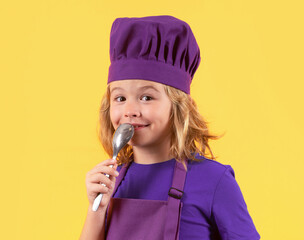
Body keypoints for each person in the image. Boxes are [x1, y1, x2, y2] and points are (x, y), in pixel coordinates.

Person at [80, 15, 260, 240]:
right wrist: (95, 208)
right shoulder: (113, 182)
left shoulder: (215, 180)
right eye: (120, 98)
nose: (130, 110)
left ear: (179, 106)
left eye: (146, 97)